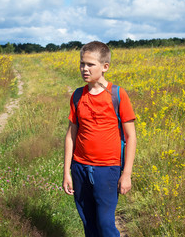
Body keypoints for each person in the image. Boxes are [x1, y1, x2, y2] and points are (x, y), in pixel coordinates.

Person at [62, 41, 136, 237]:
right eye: (82, 64)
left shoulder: (118, 95)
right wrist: (66, 172)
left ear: (105, 67)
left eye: (90, 64)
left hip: (108, 170)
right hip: (79, 168)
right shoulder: (78, 95)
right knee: (89, 224)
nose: (84, 69)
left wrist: (126, 173)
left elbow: (131, 136)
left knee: (105, 225)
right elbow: (71, 135)